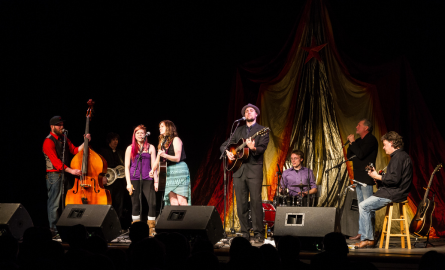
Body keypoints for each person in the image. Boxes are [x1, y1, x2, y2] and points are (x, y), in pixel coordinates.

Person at [220, 103, 270, 243]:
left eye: (251, 110)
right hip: (238, 171)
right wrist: (228, 152)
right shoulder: (238, 130)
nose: (248, 112)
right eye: (246, 111)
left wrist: (253, 148)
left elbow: (261, 149)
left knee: (255, 202)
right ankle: (244, 233)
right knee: (241, 203)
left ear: (256, 114)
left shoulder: (262, 130)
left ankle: (259, 233)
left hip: (254, 170)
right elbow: (224, 145)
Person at [354, 131, 413, 248]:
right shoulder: (400, 156)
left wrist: (377, 176)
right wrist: (380, 179)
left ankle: (367, 238)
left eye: (385, 144)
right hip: (394, 191)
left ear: (392, 143)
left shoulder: (399, 157)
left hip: (394, 193)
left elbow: (394, 180)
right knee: (367, 205)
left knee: (363, 206)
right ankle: (369, 237)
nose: (384, 147)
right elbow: (394, 178)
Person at [42, 116, 91, 235]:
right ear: (52, 127)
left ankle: (66, 227)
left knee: (68, 201)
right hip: (54, 176)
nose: (61, 127)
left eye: (62, 124)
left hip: (65, 174)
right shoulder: (48, 141)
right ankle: (53, 229)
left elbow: (74, 150)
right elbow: (56, 163)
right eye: (59, 125)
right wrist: (72, 171)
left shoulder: (64, 138)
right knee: (54, 204)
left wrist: (85, 142)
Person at [346, 118, 378, 240]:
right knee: (360, 206)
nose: (356, 127)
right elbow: (350, 156)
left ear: (366, 128)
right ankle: (361, 232)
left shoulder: (371, 140)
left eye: (358, 125)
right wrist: (351, 143)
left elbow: (360, 154)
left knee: (368, 206)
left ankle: (369, 235)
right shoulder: (358, 141)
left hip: (366, 177)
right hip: (358, 177)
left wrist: (353, 143)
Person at [124, 125, 158, 236]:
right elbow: (127, 167)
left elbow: (154, 166)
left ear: (145, 134)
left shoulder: (151, 147)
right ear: (134, 135)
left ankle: (151, 228)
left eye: (142, 133)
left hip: (148, 178)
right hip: (134, 178)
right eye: (137, 133)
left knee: (152, 203)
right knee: (135, 204)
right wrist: (128, 183)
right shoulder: (130, 148)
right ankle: (136, 228)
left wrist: (156, 181)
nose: (140, 135)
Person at [151, 120, 191, 206]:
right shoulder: (162, 142)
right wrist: (152, 170)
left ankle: (188, 219)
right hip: (168, 171)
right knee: (173, 202)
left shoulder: (176, 139)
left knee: (181, 201)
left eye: (162, 126)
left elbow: (177, 158)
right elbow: (158, 160)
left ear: (168, 127)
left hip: (179, 169)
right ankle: (176, 220)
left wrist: (165, 155)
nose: (160, 128)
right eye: (159, 127)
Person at [99, 132, 131, 229]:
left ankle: (117, 227)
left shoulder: (121, 152)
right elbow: (98, 166)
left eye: (117, 140)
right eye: (113, 139)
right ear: (109, 141)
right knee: (108, 204)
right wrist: (102, 176)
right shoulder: (103, 152)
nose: (115, 141)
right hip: (108, 183)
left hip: (119, 183)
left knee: (119, 204)